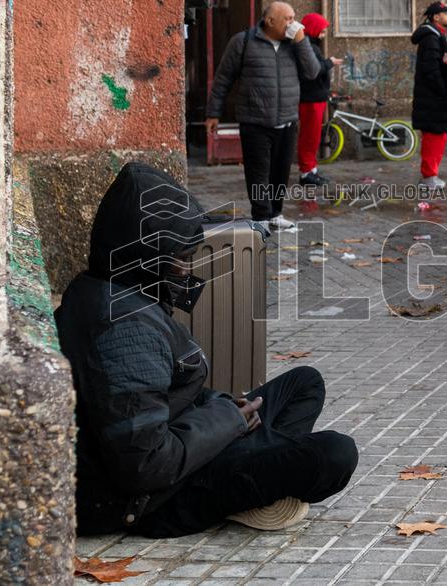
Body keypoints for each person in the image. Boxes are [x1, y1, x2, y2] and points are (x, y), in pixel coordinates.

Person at [55, 162, 358, 538]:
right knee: (336, 453)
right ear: (146, 256)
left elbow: (159, 398)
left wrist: (222, 408)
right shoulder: (123, 331)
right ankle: (251, 482)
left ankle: (256, 468)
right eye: (181, 258)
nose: (187, 268)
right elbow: (145, 464)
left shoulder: (115, 289)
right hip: (154, 500)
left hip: (184, 441)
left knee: (305, 384)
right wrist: (227, 421)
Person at [206, 2, 321, 230]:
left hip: (287, 119)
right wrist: (213, 113)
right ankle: (260, 217)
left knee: (281, 171)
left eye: (293, 17)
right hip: (255, 120)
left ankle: (275, 213)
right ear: (270, 21)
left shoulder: (295, 44)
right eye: (288, 18)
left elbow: (312, 72)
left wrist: (301, 42)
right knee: (258, 172)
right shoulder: (244, 41)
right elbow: (223, 79)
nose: (293, 23)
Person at [411, 1, 447, 190]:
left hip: (433, 97)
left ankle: (430, 175)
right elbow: (432, 69)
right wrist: (442, 91)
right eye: (446, 13)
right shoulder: (431, 39)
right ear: (436, 17)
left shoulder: (435, 36)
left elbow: (443, 64)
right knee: (434, 136)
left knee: (437, 135)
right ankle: (429, 177)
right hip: (433, 98)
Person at [297, 13, 343, 187]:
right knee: (310, 136)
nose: (323, 35)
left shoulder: (310, 46)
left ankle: (310, 169)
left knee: (313, 135)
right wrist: (329, 62)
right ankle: (306, 172)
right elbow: (314, 71)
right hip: (311, 98)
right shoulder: (307, 47)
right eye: (322, 31)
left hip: (315, 97)